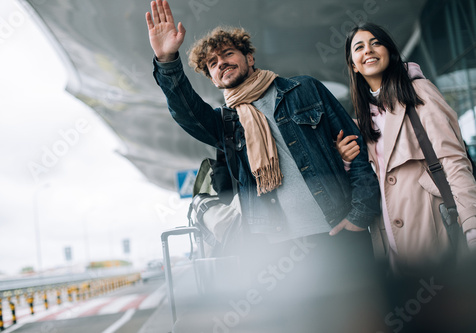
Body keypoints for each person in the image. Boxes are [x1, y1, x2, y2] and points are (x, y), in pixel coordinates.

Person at [146, 1, 382, 330]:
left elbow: (356, 153)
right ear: (212, 79)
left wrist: (359, 215)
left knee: (360, 322)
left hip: (337, 233)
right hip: (276, 252)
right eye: (212, 64)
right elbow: (186, 112)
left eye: (227, 54)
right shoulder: (225, 123)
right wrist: (167, 60)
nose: (221, 64)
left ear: (249, 57)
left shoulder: (305, 90)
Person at [337, 22, 476, 275]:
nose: (368, 50)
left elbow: (454, 160)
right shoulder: (361, 119)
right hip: (389, 245)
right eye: (359, 47)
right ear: (354, 66)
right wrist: (347, 160)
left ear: (389, 52)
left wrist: (472, 226)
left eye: (375, 43)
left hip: (432, 231)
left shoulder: (419, 91)